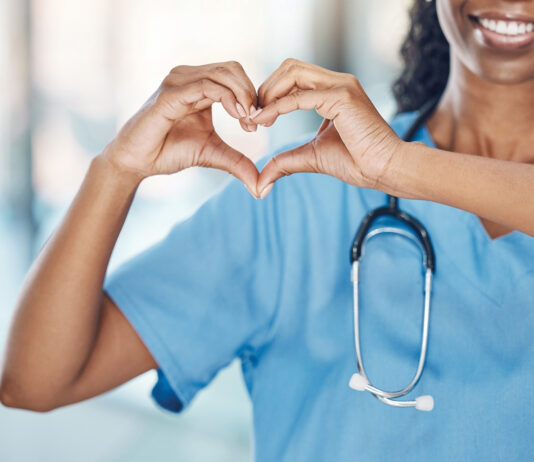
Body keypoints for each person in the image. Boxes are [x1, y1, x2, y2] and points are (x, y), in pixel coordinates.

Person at [2, 0, 534, 459]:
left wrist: (401, 168)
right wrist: (116, 168)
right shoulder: (299, 195)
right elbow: (35, 379)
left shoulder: (372, 164)